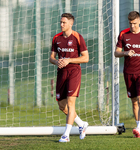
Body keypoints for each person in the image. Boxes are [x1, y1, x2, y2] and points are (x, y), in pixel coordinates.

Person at [50, 13, 89, 142]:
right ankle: (81, 124)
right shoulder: (56, 38)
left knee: (71, 103)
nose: (61, 24)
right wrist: (57, 62)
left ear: (71, 23)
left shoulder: (78, 37)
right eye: (60, 22)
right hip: (61, 73)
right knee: (62, 105)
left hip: (74, 72)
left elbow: (86, 58)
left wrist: (69, 60)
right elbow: (51, 58)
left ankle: (66, 135)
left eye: (64, 22)